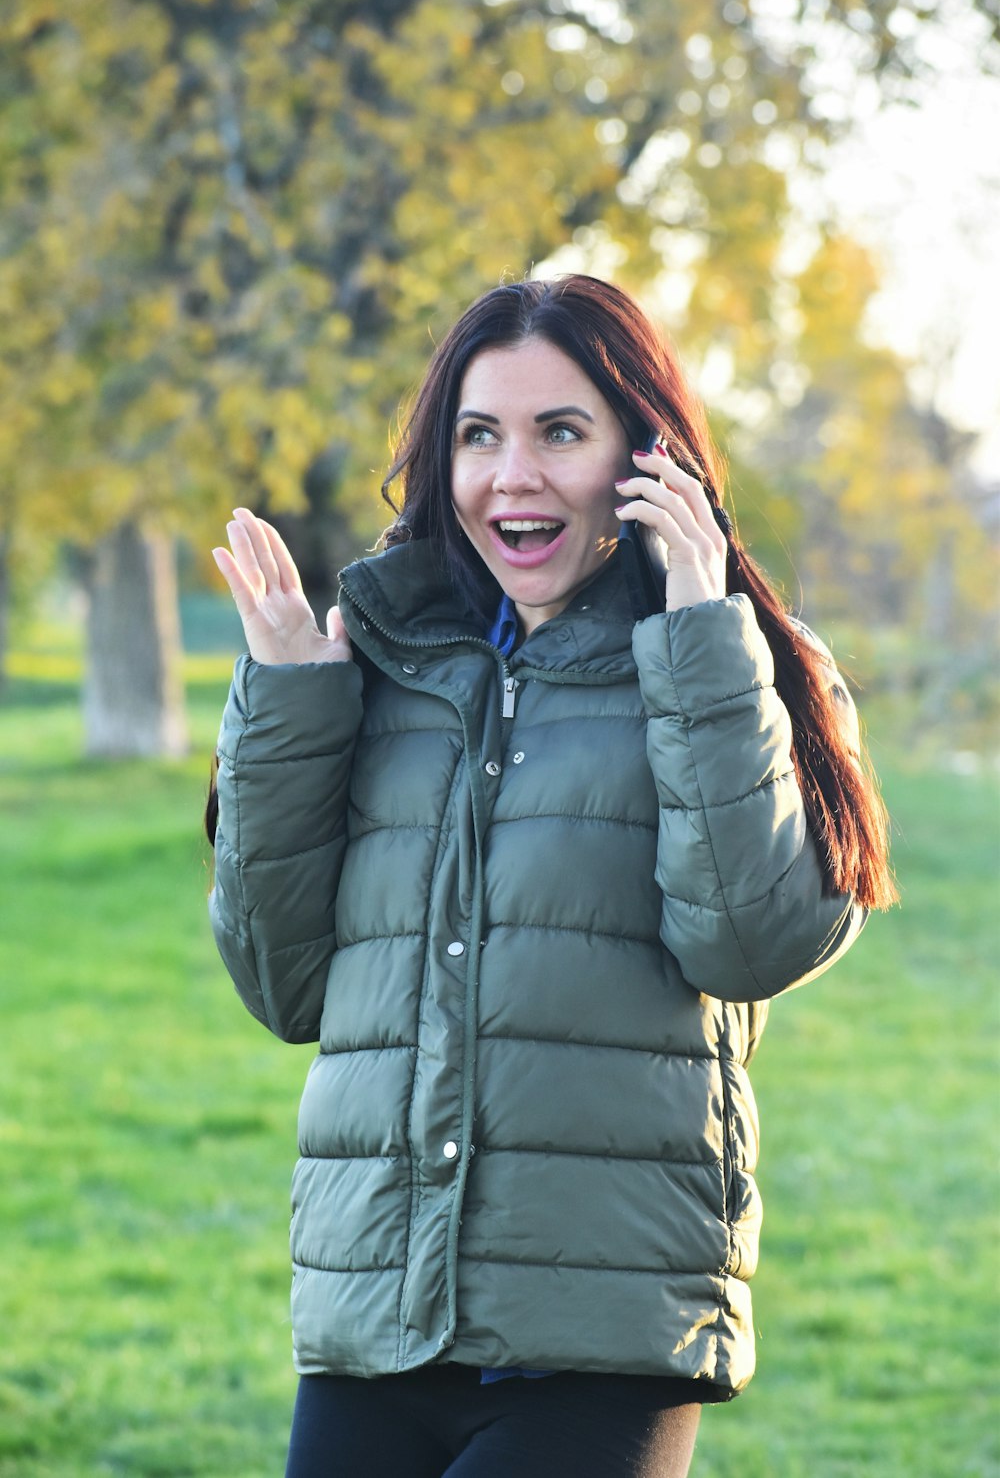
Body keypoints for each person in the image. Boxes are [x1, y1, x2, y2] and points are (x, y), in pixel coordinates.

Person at [206, 274, 895, 1477]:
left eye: (558, 433)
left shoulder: (742, 664)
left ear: (645, 454)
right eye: (479, 436)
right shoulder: (376, 665)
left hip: (607, 1347)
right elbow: (283, 988)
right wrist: (291, 711)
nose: (510, 476)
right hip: (375, 1332)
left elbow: (751, 944)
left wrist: (696, 641)